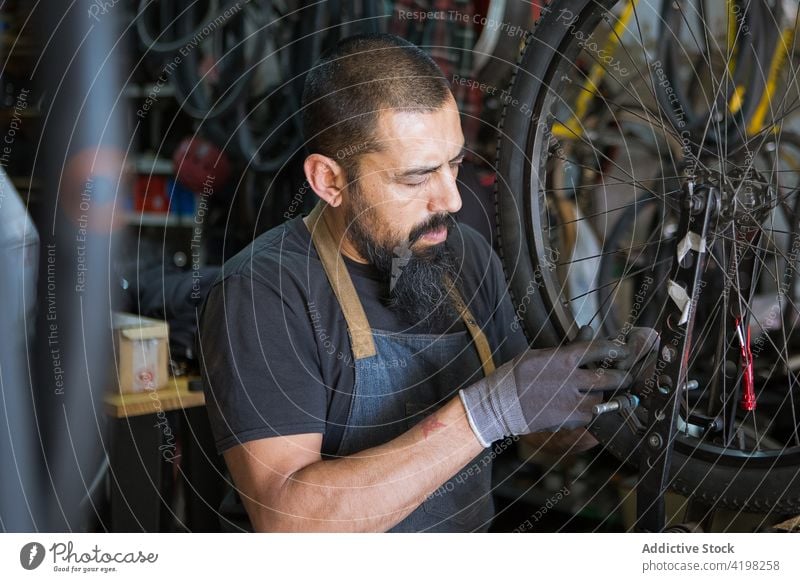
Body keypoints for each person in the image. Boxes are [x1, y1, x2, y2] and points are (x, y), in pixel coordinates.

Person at [199, 33, 656, 532]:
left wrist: (605, 397)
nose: (452, 200)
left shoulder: (465, 257)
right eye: (415, 179)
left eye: (454, 165)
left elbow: (536, 439)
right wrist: (485, 411)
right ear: (329, 181)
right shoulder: (263, 292)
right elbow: (291, 523)